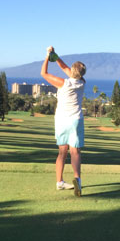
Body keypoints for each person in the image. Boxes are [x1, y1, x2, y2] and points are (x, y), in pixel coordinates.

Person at [40, 46, 86, 197]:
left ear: (72, 72)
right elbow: (64, 66)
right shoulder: (82, 82)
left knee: (62, 152)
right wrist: (55, 56)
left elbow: (43, 73)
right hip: (76, 121)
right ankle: (77, 180)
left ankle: (59, 182)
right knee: (75, 151)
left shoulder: (63, 83)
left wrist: (48, 56)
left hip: (61, 121)